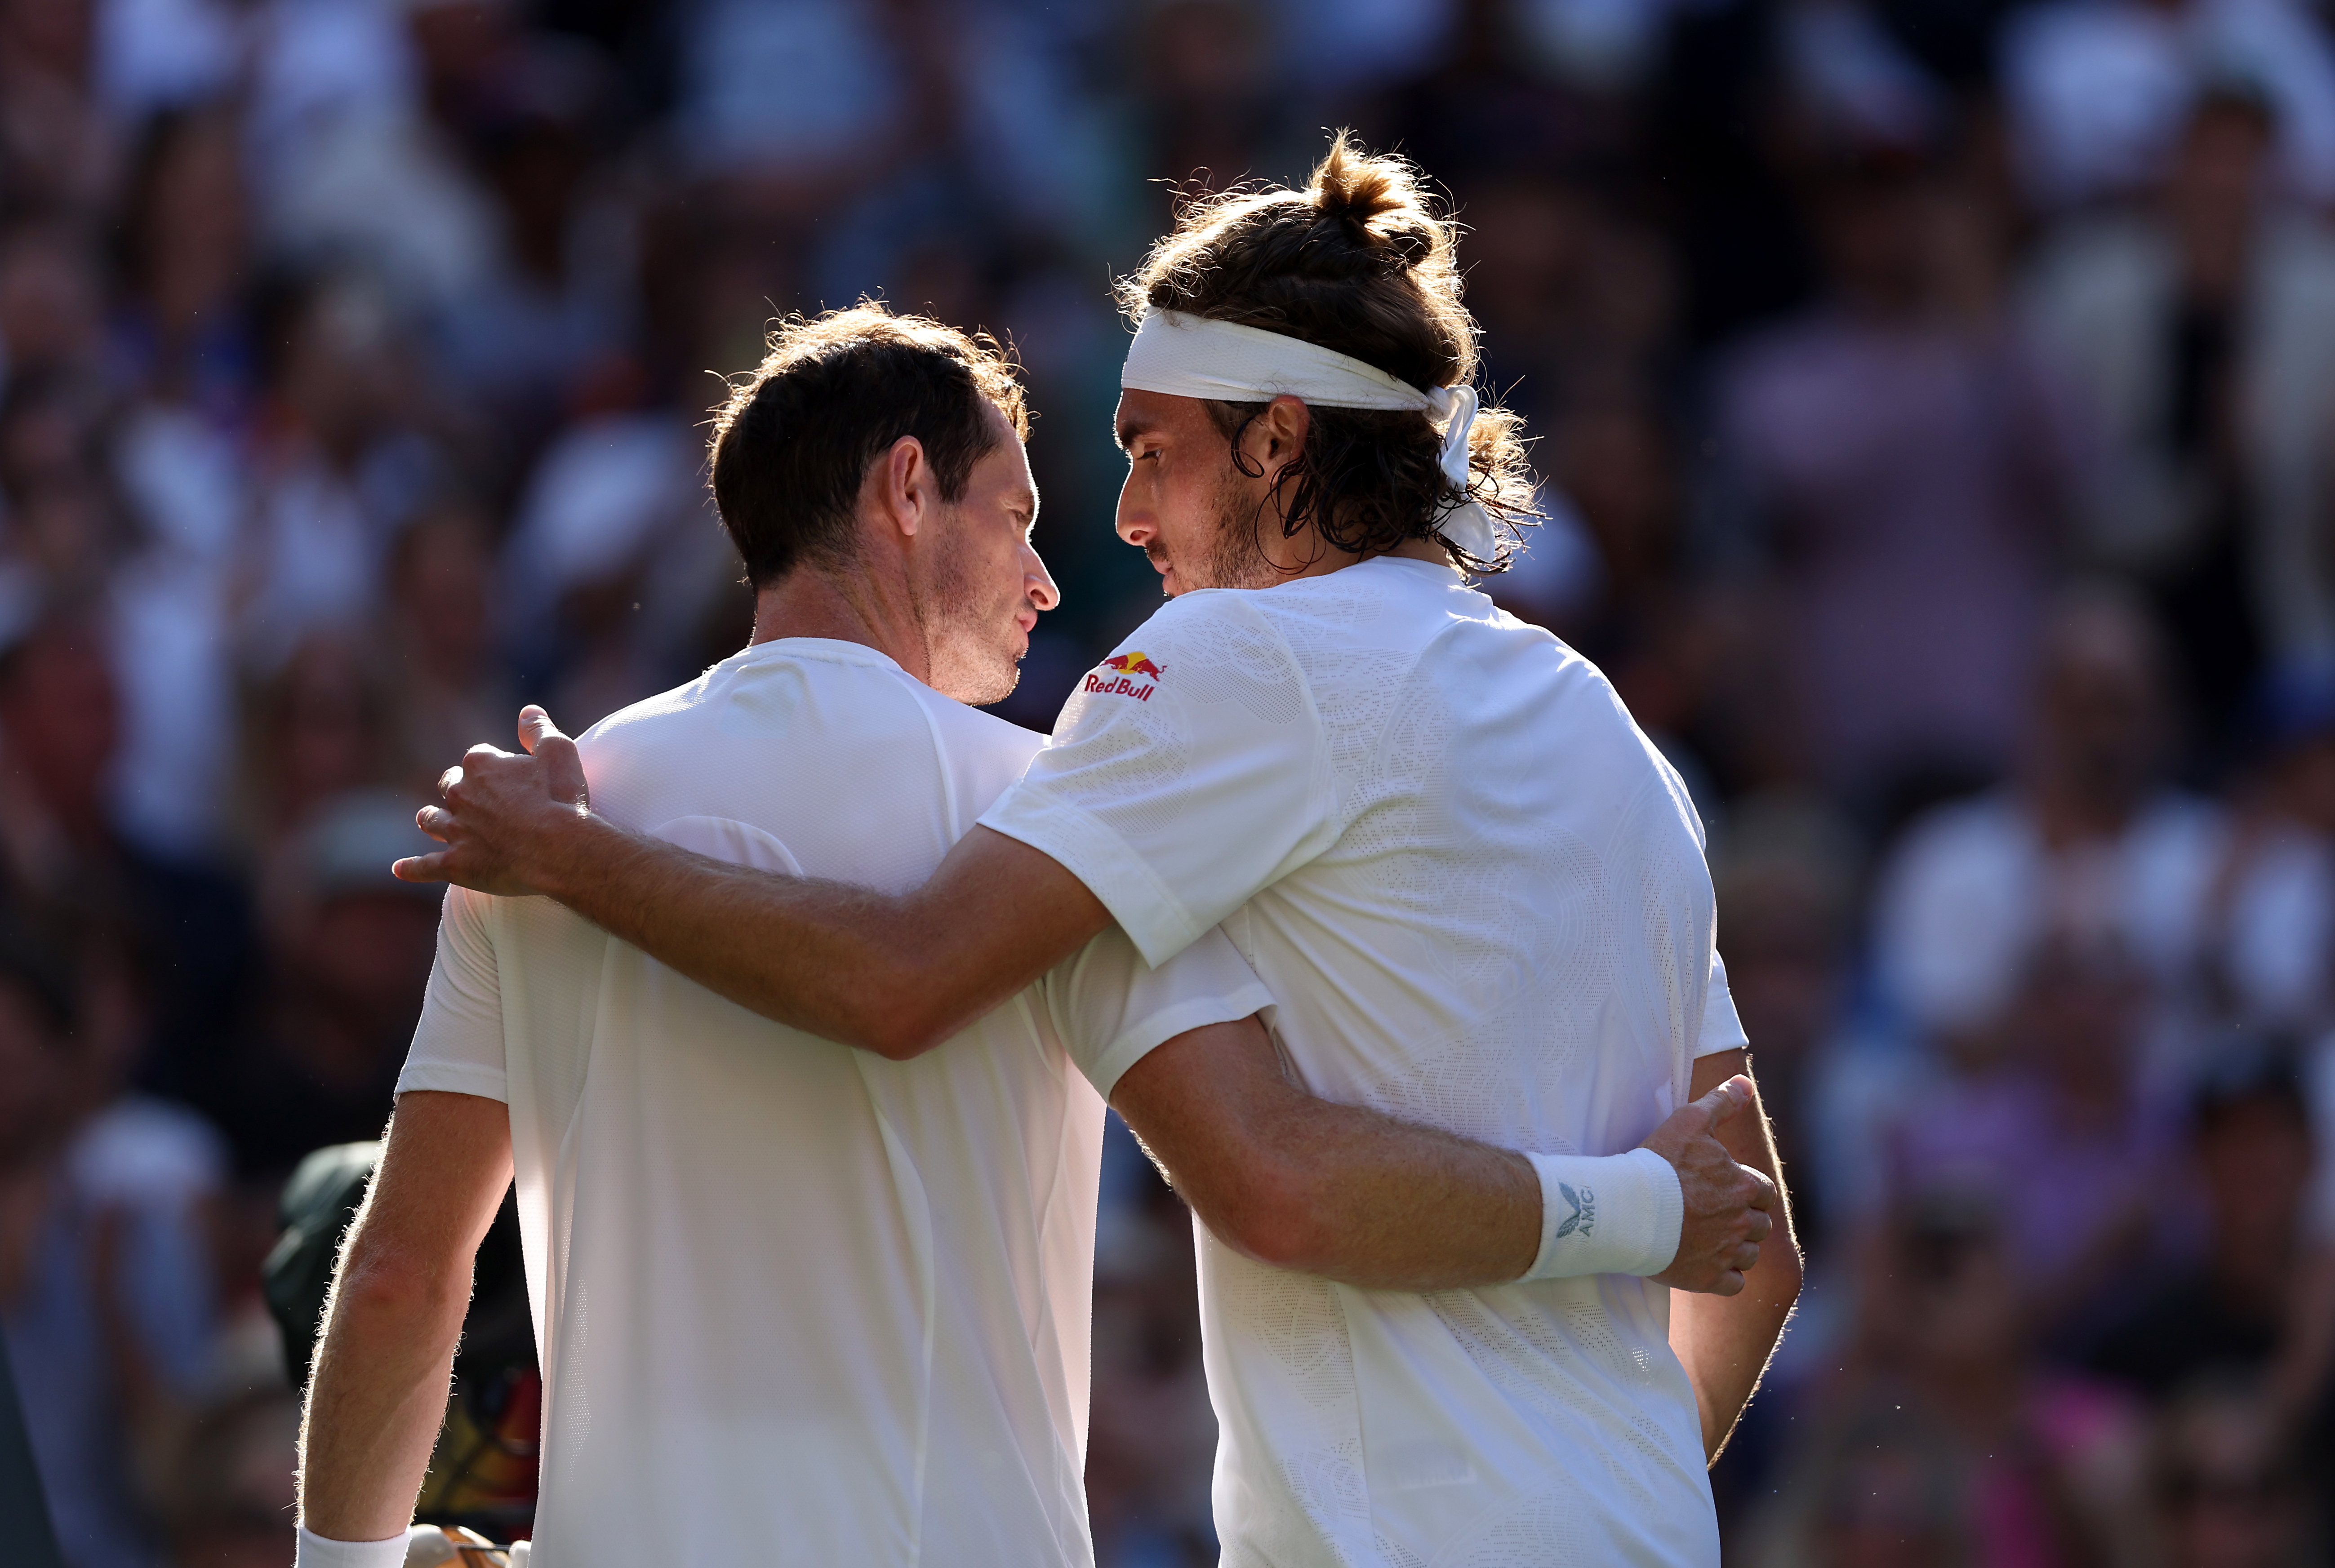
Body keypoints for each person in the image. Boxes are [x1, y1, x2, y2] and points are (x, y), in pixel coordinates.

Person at [404, 140, 1798, 1566]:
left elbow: (909, 979)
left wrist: (573, 855)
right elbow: (1757, 1248)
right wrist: (1582, 1489)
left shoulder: (1229, 656)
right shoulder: (1613, 738)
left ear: (1276, 441)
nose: (1125, 519)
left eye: (1151, 450)